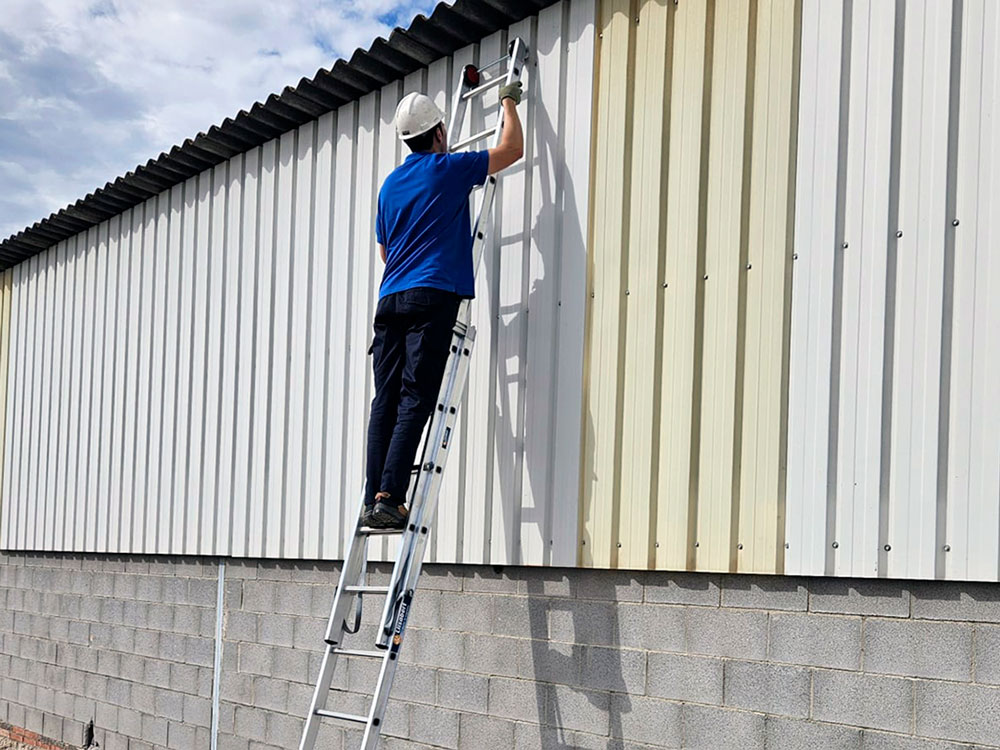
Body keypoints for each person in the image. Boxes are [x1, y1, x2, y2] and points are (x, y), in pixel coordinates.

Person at [363, 80, 525, 529]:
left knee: (386, 400)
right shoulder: (446, 168)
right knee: (416, 396)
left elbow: (385, 251)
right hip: (430, 295)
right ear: (437, 134)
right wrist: (508, 100)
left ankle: (372, 493)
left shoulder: (390, 186)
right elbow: (512, 149)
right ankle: (389, 497)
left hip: (389, 298)